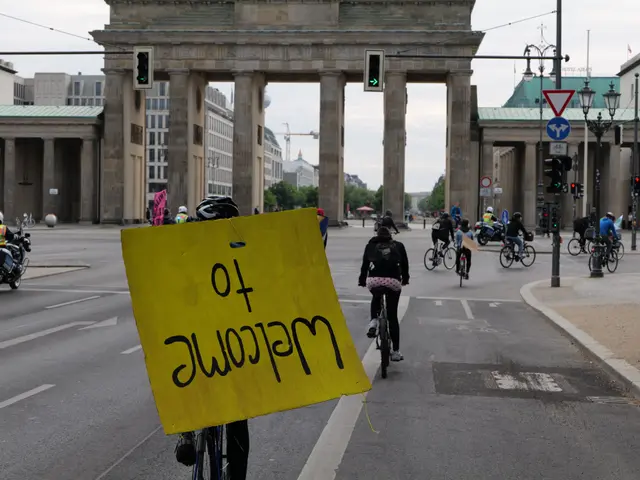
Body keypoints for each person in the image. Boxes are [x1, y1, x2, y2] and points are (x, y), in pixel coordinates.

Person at [173, 196, 249, 480]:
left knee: (185, 377)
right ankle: (236, 473)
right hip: (232, 344)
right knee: (240, 416)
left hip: (204, 339)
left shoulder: (185, 248)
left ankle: (187, 434)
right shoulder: (240, 247)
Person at [358, 226, 409, 362]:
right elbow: (405, 264)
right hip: (393, 281)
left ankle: (373, 321)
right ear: (390, 235)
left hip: (374, 281)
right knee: (392, 316)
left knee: (376, 296)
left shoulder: (370, 245)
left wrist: (362, 281)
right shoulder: (399, 246)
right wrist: (405, 279)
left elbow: (364, 265)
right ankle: (396, 351)